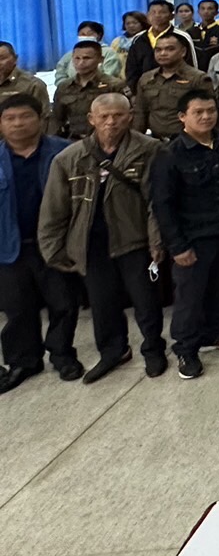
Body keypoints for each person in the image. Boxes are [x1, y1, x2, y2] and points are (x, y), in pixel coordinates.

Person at [37, 93, 166, 382]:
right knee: (102, 302)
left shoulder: (149, 149)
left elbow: (156, 202)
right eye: (104, 116)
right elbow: (54, 209)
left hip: (134, 239)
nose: (111, 122)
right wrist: (53, 250)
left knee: (145, 301)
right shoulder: (68, 158)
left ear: (130, 117)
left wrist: (156, 241)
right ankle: (113, 351)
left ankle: (153, 348)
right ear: (91, 119)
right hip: (90, 243)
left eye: (118, 115)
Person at [150, 90, 219, 379]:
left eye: (211, 111)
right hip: (192, 238)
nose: (206, 117)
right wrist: (177, 246)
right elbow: (163, 205)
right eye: (198, 112)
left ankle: (215, 332)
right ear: (182, 117)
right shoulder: (169, 154)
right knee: (190, 298)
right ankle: (186, 349)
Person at [0, 94, 79, 392]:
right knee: (17, 308)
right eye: (10, 118)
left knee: (63, 303)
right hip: (9, 246)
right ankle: (23, 361)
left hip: (55, 243)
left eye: (25, 116)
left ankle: (62, 355)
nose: (18, 123)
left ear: (41, 118)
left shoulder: (65, 151)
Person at [132, 35, 213, 139]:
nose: (163, 53)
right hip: (155, 141)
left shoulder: (198, 79)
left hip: (188, 140)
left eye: (170, 49)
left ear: (183, 52)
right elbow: (140, 113)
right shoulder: (147, 79)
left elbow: (207, 113)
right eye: (158, 50)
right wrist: (136, 139)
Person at [51, 40, 130, 141]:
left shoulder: (114, 85)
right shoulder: (64, 87)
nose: (81, 63)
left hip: (108, 140)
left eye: (87, 58)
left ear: (100, 59)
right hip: (73, 140)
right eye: (77, 58)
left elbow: (127, 117)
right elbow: (57, 119)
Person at [126, 0, 198, 86]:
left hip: (176, 87)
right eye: (153, 12)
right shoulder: (138, 38)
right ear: (147, 15)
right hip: (145, 87)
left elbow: (191, 65)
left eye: (162, 12)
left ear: (171, 16)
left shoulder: (182, 36)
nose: (157, 16)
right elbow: (131, 68)